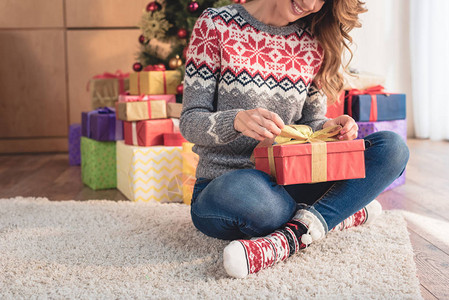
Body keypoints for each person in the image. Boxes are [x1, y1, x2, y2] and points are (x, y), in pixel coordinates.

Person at [179, 0, 409, 278]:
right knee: (261, 203)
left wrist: (331, 127)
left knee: (392, 148)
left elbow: (311, 123)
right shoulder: (215, 25)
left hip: (293, 179)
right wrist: (236, 120)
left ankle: (294, 235)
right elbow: (190, 120)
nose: (311, 4)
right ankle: (338, 213)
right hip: (227, 185)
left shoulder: (312, 42)